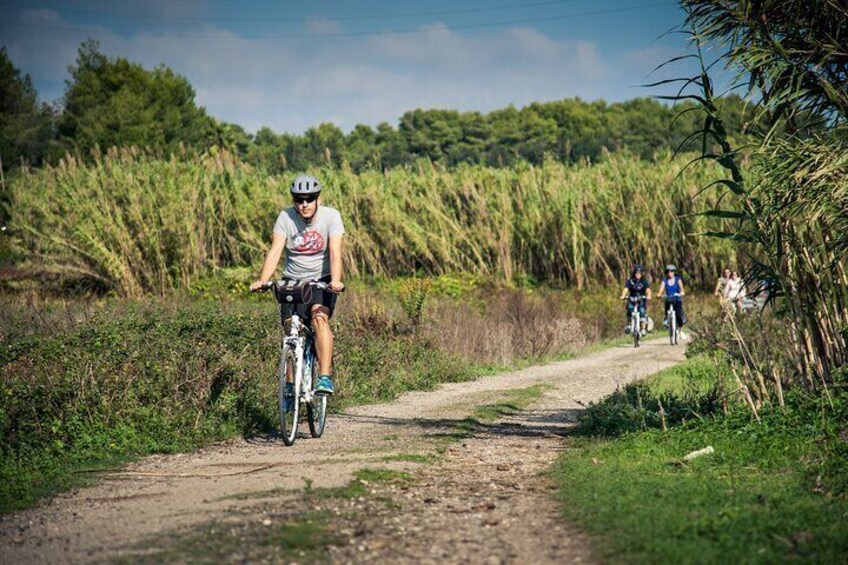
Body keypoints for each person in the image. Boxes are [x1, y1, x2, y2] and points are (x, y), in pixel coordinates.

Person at [250, 174, 345, 396]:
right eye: (299, 200)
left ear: (317, 199)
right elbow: (275, 251)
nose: (304, 205)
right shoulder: (285, 217)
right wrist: (263, 280)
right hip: (292, 281)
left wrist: (336, 280)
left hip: (321, 281)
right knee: (290, 330)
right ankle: (291, 386)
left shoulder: (331, 217)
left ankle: (325, 378)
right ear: (293, 200)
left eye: (309, 199)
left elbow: (335, 252)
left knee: (319, 318)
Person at [619, 265, 652, 335]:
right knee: (629, 310)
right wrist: (623, 295)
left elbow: (648, 290)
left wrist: (648, 296)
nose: (638, 274)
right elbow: (626, 289)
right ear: (634, 273)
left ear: (642, 274)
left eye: (640, 273)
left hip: (641, 301)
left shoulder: (644, 282)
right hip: (631, 300)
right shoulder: (630, 281)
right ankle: (629, 325)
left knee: (642, 312)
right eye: (636, 273)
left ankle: (643, 329)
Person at [658, 264, 687, 340]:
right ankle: (667, 321)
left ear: (674, 272)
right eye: (668, 271)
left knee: (678, 315)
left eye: (671, 271)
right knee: (667, 312)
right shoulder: (665, 280)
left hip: (677, 299)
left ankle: (680, 330)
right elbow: (661, 289)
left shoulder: (678, 279)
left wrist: (681, 293)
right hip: (668, 299)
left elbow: (682, 290)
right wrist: (659, 294)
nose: (669, 273)